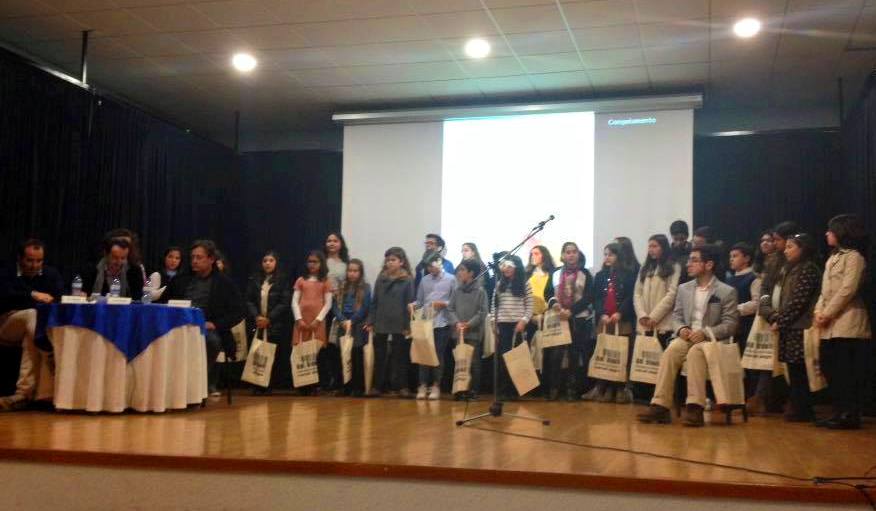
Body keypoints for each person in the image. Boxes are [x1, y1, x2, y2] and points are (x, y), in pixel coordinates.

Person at [637, 245, 739, 427]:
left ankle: (695, 406)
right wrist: (681, 329)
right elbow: (676, 317)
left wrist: (706, 333)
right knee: (671, 351)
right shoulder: (684, 289)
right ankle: (660, 405)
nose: (688, 264)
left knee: (695, 353)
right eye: (689, 260)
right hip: (688, 336)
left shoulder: (726, 291)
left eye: (694, 260)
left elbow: (730, 325)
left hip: (712, 341)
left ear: (709, 265)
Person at [163, 240, 245, 396]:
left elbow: (238, 312)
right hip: (177, 325)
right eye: (192, 257)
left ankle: (197, 382)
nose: (194, 261)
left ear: (211, 259)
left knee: (212, 342)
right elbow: (164, 302)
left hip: (206, 328)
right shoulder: (180, 280)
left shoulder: (224, 283)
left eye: (199, 257)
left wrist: (215, 324)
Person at [814, 214, 872, 429]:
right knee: (830, 368)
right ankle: (839, 411)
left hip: (848, 322)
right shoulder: (832, 258)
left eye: (831, 230)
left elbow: (848, 289)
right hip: (829, 324)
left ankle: (849, 414)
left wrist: (828, 313)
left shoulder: (854, 257)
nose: (827, 233)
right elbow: (824, 290)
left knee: (846, 371)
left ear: (841, 232)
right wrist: (818, 311)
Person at [758, 234, 821, 422]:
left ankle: (803, 408)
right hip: (789, 325)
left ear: (803, 248)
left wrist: (780, 321)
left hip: (801, 326)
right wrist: (774, 316)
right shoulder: (789, 269)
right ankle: (798, 406)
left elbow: (798, 301)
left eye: (790, 247)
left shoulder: (808, 269)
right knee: (792, 368)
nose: (785, 250)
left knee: (800, 368)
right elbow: (770, 293)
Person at [0, 239, 63, 411]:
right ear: (20, 258)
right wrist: (32, 295)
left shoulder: (50, 274)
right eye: (29, 260)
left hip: (35, 327)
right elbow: (5, 297)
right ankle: (50, 355)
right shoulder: (6, 272)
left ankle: (23, 395)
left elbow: (58, 297)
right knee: (32, 315)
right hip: (6, 323)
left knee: (32, 337)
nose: (34, 265)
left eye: (39, 261)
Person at [583, 242, 637, 403]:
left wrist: (620, 312)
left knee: (620, 354)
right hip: (605, 320)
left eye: (611, 255)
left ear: (619, 256)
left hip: (622, 320)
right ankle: (601, 387)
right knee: (603, 353)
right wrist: (602, 313)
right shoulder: (600, 275)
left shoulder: (629, 274)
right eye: (605, 254)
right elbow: (597, 297)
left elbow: (630, 297)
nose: (607, 257)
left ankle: (619, 389)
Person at [633, 235, 681, 401]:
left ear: (663, 247)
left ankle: (661, 397)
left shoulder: (673, 267)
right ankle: (644, 395)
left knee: (660, 362)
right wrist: (642, 315)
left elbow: (672, 294)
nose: (651, 250)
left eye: (655, 246)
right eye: (650, 246)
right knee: (645, 360)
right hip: (644, 322)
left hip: (663, 323)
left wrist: (654, 316)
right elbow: (637, 293)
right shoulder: (645, 267)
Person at [545, 242, 594, 401]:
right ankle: (554, 388)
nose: (571, 255)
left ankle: (572, 389)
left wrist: (571, 310)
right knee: (556, 355)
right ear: (562, 255)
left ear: (578, 255)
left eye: (574, 252)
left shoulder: (585, 273)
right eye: (568, 252)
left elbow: (588, 297)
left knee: (575, 355)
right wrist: (555, 304)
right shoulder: (555, 273)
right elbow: (548, 293)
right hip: (558, 318)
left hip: (578, 319)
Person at [367, 247, 415, 397]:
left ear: (401, 262)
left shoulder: (407, 280)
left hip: (400, 323)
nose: (389, 263)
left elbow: (410, 304)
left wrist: (408, 325)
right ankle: (377, 386)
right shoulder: (381, 279)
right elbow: (374, 302)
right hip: (381, 321)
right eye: (388, 260)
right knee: (380, 356)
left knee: (400, 357)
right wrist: (371, 320)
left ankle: (402, 387)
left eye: (393, 260)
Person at [245, 250, 292, 391]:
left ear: (276, 263)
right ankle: (257, 384)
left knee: (273, 355)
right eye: (265, 261)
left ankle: (270, 385)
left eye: (271, 260)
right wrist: (257, 316)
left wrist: (269, 318)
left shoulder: (282, 280)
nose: (267, 263)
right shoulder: (254, 279)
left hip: (275, 324)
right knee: (257, 354)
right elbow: (249, 300)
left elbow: (284, 302)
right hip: (258, 323)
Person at [411, 252, 456, 400]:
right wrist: (412, 305)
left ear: (440, 261)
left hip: (442, 322)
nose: (430, 269)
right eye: (428, 267)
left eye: (432, 265)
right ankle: (423, 385)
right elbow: (420, 301)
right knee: (424, 354)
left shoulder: (451, 279)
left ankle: (436, 385)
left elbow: (455, 301)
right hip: (425, 322)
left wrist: (443, 304)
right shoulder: (424, 280)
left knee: (438, 354)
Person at [492, 254, 533, 401]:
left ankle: (517, 391)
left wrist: (524, 321)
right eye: (504, 266)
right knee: (504, 358)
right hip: (503, 325)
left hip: (518, 325)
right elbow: (494, 305)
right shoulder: (499, 284)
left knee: (518, 359)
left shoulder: (524, 284)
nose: (506, 269)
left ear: (516, 267)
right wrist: (494, 322)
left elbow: (530, 306)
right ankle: (504, 390)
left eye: (510, 266)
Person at [447, 258, 489, 400]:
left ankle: (472, 390)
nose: (459, 273)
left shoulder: (480, 291)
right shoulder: (457, 290)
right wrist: (457, 323)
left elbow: (482, 312)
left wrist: (468, 324)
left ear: (471, 273)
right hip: (458, 332)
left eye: (462, 270)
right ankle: (459, 390)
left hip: (473, 333)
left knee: (473, 362)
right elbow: (450, 308)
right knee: (459, 362)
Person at [292, 251, 334, 394]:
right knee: (301, 353)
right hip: (301, 322)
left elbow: (328, 304)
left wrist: (318, 320)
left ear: (321, 263)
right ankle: (302, 386)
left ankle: (315, 385)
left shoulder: (325, 281)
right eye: (310, 261)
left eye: (315, 262)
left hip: (317, 323)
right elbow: (294, 302)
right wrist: (299, 319)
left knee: (316, 354)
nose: (312, 264)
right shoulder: (300, 280)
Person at [332, 259, 371, 397]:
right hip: (343, 324)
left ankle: (357, 387)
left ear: (360, 272)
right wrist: (342, 320)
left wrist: (352, 321)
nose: (352, 273)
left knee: (356, 356)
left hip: (357, 325)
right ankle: (344, 387)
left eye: (355, 271)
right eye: (350, 270)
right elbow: (335, 306)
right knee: (343, 356)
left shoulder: (366, 287)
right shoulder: (341, 287)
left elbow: (365, 307)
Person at [726, 242, 760, 345]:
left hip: (747, 325)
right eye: (730, 256)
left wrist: (736, 309)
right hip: (731, 324)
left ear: (747, 258)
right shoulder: (729, 279)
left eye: (735, 256)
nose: (731, 259)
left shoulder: (754, 278)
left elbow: (757, 303)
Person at [525, 245, 556, 342]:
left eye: (536, 254)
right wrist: (531, 316)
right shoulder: (527, 274)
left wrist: (545, 315)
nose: (533, 256)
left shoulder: (552, 273)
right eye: (531, 254)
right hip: (530, 316)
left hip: (548, 316)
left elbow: (554, 295)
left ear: (544, 255)